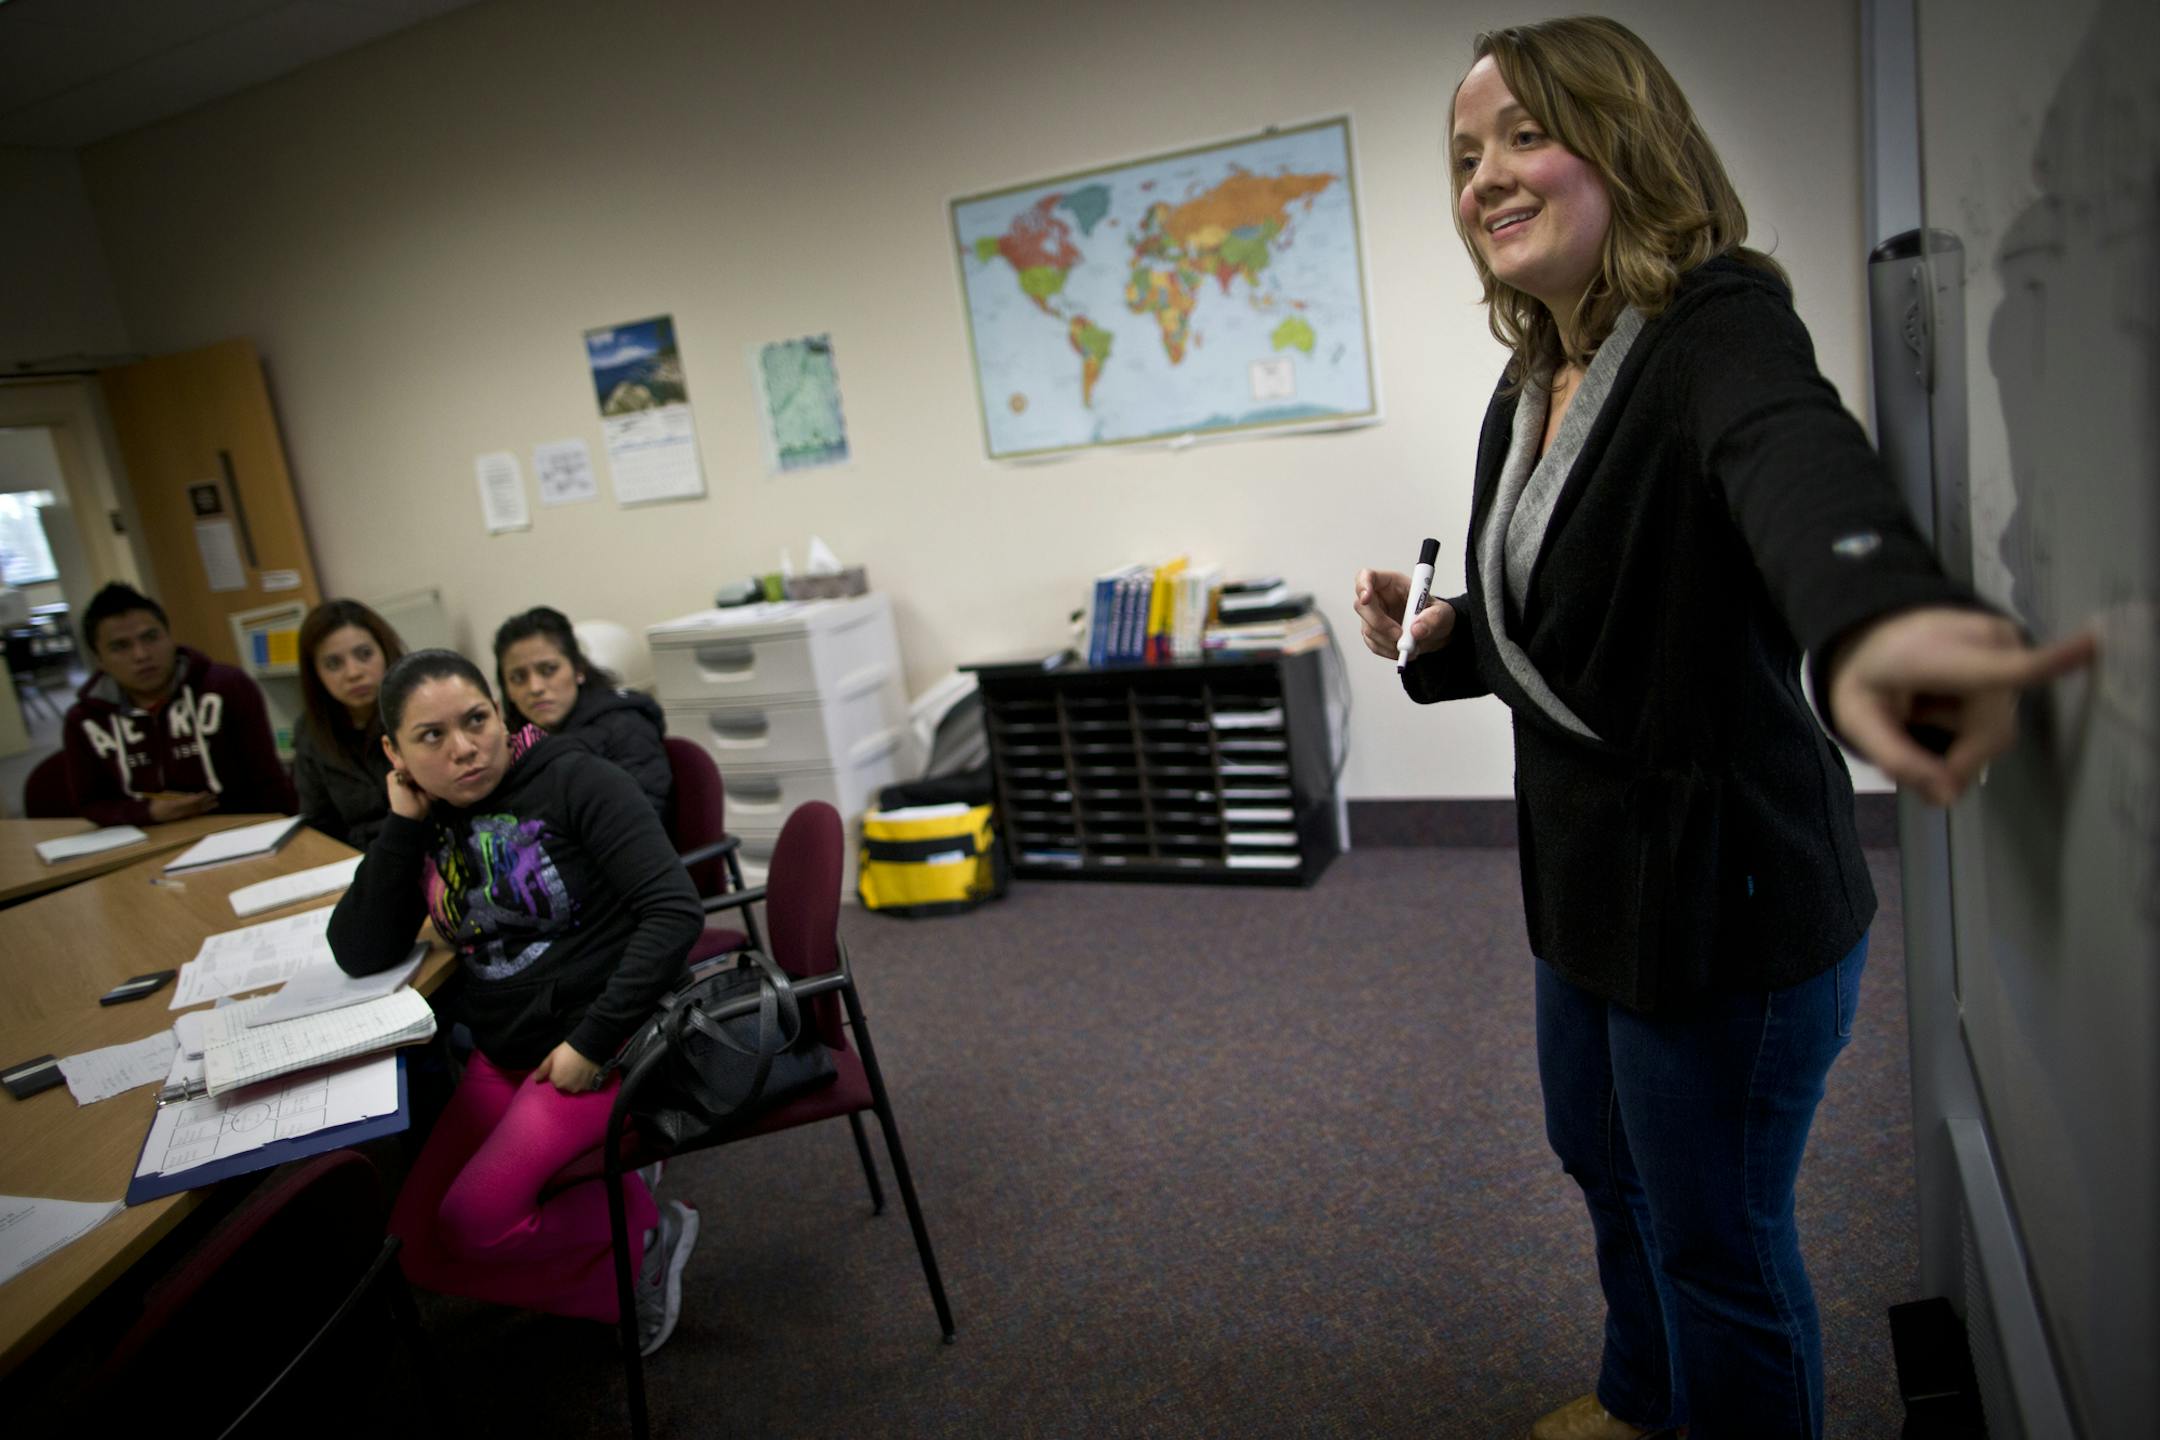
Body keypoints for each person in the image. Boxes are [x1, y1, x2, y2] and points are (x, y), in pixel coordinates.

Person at [1350, 19, 2095, 1440]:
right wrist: (1444, 635)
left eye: (1524, 135)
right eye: (1463, 156)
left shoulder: (1719, 327)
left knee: (1717, 1247)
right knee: (1603, 1170)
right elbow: (1576, 626)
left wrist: (1876, 611)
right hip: (1586, 893)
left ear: (1626, 142)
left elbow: (1794, 459)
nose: (1485, 179)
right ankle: (1641, 1405)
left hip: (1723, 905)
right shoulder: (1535, 376)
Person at [327, 649, 705, 1355]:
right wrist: (403, 823)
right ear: (394, 752)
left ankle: (642, 1228)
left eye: (476, 720)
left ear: (501, 713)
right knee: (412, 1251)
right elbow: (359, 951)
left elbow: (674, 912)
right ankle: (629, 1258)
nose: (465, 749)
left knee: (473, 1224)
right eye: (431, 737)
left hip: (599, 1044)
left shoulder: (577, 779)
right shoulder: (432, 815)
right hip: (503, 1053)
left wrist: (592, 1044)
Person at [62, 581, 293, 826]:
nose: (141, 655)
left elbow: (270, 781)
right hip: (146, 839)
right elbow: (90, 804)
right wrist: (147, 813)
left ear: (170, 637)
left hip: (239, 831)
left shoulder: (227, 687)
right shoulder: (84, 719)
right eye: (121, 646)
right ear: (99, 659)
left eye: (150, 637)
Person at [493, 606, 671, 817]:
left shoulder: (625, 727)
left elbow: (639, 821)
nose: (535, 687)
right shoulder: (512, 743)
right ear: (507, 690)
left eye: (548, 670)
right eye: (518, 678)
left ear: (578, 670)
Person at [291, 599, 406, 849]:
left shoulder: (417, 711)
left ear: (385, 651)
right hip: (355, 864)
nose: (353, 672)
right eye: (333, 664)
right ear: (316, 674)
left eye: (364, 654)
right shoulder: (310, 733)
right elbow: (318, 825)